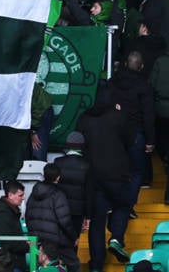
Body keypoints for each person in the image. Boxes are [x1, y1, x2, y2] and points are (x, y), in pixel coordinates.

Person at [76, 85, 133, 267]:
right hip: (117, 173)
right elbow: (130, 141)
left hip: (93, 175)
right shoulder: (118, 115)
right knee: (123, 206)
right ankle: (116, 237)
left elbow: (79, 143)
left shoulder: (84, 118)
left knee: (97, 221)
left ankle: (96, 264)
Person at [109, 50, 155, 217]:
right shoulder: (144, 86)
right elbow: (148, 114)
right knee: (136, 172)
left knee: (117, 170)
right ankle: (127, 207)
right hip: (136, 134)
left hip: (115, 133)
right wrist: (150, 140)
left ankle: (115, 205)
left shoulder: (113, 82)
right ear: (141, 66)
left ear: (126, 64)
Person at [24, 164, 79, 272]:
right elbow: (65, 221)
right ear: (58, 177)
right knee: (74, 264)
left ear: (43, 176)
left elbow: (27, 216)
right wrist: (74, 237)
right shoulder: (58, 195)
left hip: (38, 239)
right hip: (56, 241)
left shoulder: (33, 194)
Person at [53, 131, 90, 238]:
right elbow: (88, 192)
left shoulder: (57, 162)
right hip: (78, 211)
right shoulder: (87, 165)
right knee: (74, 241)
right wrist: (87, 215)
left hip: (60, 208)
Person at [0, 180, 29, 272]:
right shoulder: (2, 214)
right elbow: (7, 241)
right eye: (20, 195)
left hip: (11, 261)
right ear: (10, 195)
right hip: (9, 263)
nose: (23, 198)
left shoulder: (9, 210)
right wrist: (26, 246)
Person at [150, 46, 169, 204]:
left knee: (162, 135)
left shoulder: (160, 62)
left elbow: (152, 84)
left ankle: (164, 157)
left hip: (161, 108)